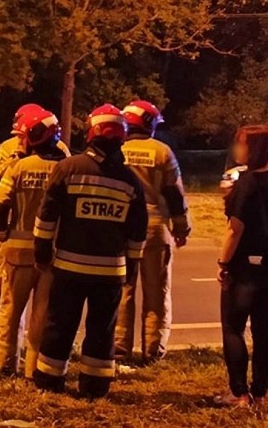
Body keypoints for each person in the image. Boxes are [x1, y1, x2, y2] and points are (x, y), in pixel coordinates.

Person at [32, 104, 148, 399]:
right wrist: (132, 267)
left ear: (92, 132)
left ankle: (49, 380)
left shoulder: (68, 169)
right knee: (102, 330)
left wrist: (42, 251)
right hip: (110, 272)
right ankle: (95, 386)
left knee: (60, 324)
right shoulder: (129, 181)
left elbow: (47, 217)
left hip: (70, 268)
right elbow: (137, 231)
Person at [214, 125, 268, 407]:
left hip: (246, 268)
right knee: (264, 330)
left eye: (241, 144)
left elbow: (235, 230)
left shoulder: (245, 183)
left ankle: (238, 393)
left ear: (253, 149)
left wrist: (223, 262)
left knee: (233, 328)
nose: (237, 149)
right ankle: (259, 393)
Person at [0, 108, 67, 376]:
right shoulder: (65, 169)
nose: (19, 141)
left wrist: (2, 234)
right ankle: (35, 371)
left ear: (33, 137)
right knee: (41, 318)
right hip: (53, 256)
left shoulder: (20, 167)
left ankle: (5, 367)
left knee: (9, 316)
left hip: (17, 255)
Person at [115, 100, 191, 363]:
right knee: (156, 292)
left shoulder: (118, 150)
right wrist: (181, 228)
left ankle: (119, 350)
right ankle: (152, 352)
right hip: (155, 227)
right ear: (150, 124)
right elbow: (174, 194)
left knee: (123, 291)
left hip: (122, 227)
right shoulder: (162, 152)